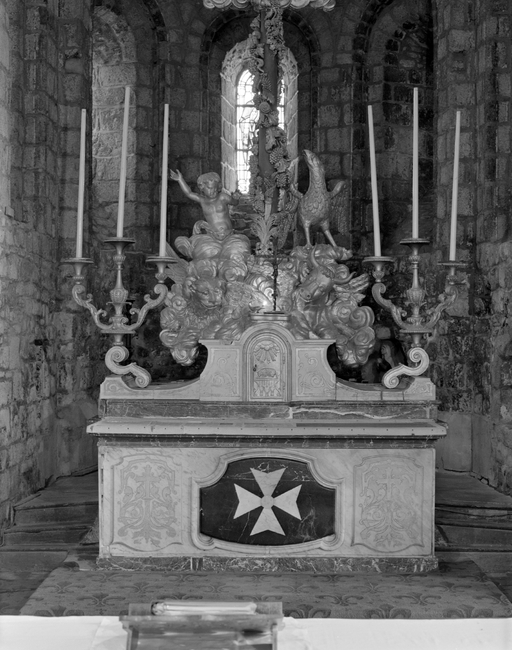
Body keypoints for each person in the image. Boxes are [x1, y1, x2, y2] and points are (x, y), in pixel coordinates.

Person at [170, 169, 241, 242]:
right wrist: (180, 180)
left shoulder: (223, 197)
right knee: (183, 241)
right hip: (213, 236)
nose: (213, 191)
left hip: (228, 234)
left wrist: (236, 198)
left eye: (215, 188)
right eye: (210, 188)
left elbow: (234, 202)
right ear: (202, 188)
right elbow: (189, 193)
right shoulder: (202, 200)